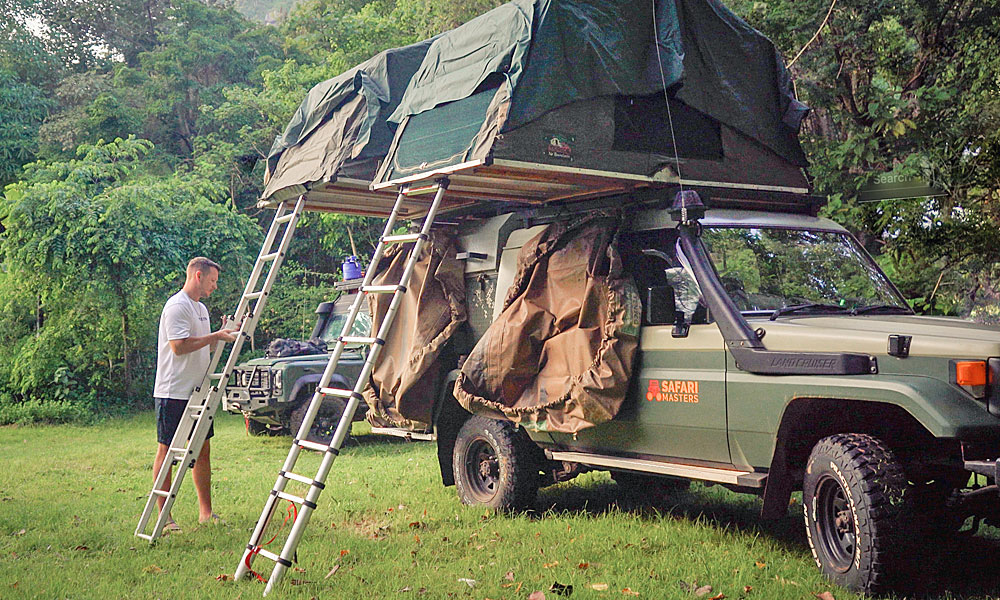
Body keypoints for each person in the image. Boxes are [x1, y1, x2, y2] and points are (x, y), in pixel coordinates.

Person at [152, 257, 238, 531]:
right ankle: (165, 518)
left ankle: (206, 513)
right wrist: (216, 336)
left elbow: (205, 347)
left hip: (197, 392)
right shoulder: (177, 306)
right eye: (212, 281)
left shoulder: (201, 309)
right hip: (173, 391)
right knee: (167, 451)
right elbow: (178, 346)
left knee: (202, 450)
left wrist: (223, 334)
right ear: (198, 276)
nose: (215, 286)